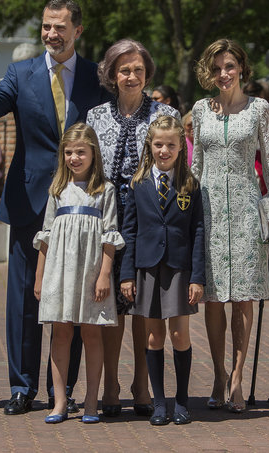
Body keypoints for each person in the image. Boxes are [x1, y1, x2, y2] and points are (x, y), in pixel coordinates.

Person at [0, 0, 110, 415]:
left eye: (59, 27)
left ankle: (60, 391)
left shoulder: (95, 77)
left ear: (77, 30)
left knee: (76, 303)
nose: (51, 34)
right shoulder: (20, 73)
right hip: (29, 204)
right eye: (46, 26)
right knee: (26, 299)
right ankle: (21, 387)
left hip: (81, 209)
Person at [191, 38, 269, 413]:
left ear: (242, 69)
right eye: (216, 69)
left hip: (247, 210)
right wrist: (186, 213)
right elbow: (196, 164)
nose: (223, 74)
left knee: (243, 298)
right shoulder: (201, 110)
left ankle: (238, 377)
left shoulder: (259, 108)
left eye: (229, 67)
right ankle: (217, 374)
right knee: (214, 299)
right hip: (210, 211)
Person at [87, 38, 179, 417]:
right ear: (111, 73)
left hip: (148, 223)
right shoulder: (95, 116)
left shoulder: (164, 113)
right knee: (110, 305)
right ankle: (111, 387)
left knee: (144, 306)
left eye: (138, 70)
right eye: (124, 69)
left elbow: (175, 168)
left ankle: (143, 386)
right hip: (107, 221)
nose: (131, 76)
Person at [33, 124, 122, 424]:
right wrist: (39, 277)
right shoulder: (57, 189)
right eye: (69, 152)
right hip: (59, 271)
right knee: (61, 331)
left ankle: (92, 402)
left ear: (93, 153)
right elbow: (45, 237)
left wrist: (104, 275)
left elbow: (110, 236)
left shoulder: (104, 191)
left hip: (91, 270)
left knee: (91, 331)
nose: (74, 158)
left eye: (80, 152)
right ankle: (59, 402)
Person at [120, 116, 205, 426]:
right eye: (158, 144)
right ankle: (159, 403)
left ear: (181, 147)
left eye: (171, 144)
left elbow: (198, 231)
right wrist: (126, 274)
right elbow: (129, 231)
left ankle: (181, 401)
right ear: (150, 146)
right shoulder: (138, 183)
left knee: (180, 333)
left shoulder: (190, 184)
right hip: (148, 269)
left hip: (179, 269)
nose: (164, 150)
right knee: (155, 336)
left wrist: (197, 276)